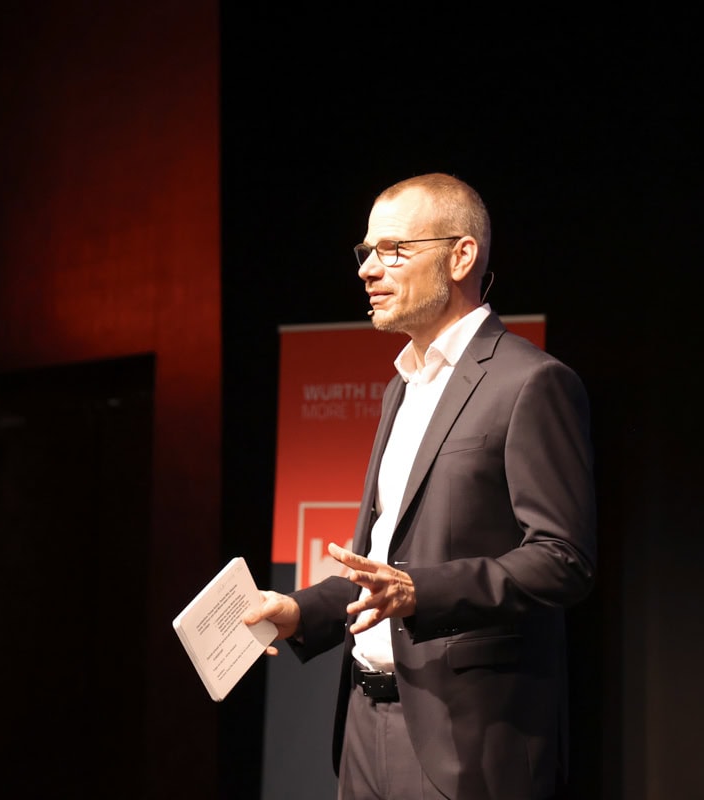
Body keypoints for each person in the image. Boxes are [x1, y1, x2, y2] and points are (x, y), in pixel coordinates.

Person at [244, 173, 596, 800]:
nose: (367, 270)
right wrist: (300, 612)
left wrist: (421, 591)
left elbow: (563, 560)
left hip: (467, 737)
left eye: (394, 250)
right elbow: (382, 564)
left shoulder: (531, 383)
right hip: (362, 725)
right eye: (366, 251)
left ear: (461, 256)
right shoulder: (400, 388)